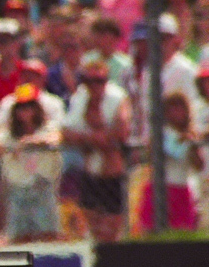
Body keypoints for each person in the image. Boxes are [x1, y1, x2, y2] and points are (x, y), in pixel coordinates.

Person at [62, 55, 131, 242]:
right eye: (89, 81)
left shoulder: (117, 97)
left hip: (112, 175)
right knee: (93, 232)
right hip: (89, 173)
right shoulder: (80, 98)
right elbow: (66, 132)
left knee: (111, 232)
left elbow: (121, 131)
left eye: (99, 80)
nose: (94, 85)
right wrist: (96, 137)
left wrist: (90, 135)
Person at [0, 84, 62, 243]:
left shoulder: (48, 127)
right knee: (19, 237)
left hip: (42, 186)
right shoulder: (8, 133)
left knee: (48, 234)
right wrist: (1, 141)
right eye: (20, 106)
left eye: (29, 106)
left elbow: (57, 138)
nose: (25, 110)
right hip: (18, 188)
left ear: (37, 108)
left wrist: (27, 142)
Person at [138, 91, 204, 232]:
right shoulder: (160, 133)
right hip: (159, 188)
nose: (175, 113)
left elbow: (199, 165)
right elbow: (159, 155)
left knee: (182, 233)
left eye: (179, 108)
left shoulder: (191, 135)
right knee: (152, 233)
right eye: (170, 109)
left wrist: (192, 144)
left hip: (181, 188)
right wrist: (180, 141)